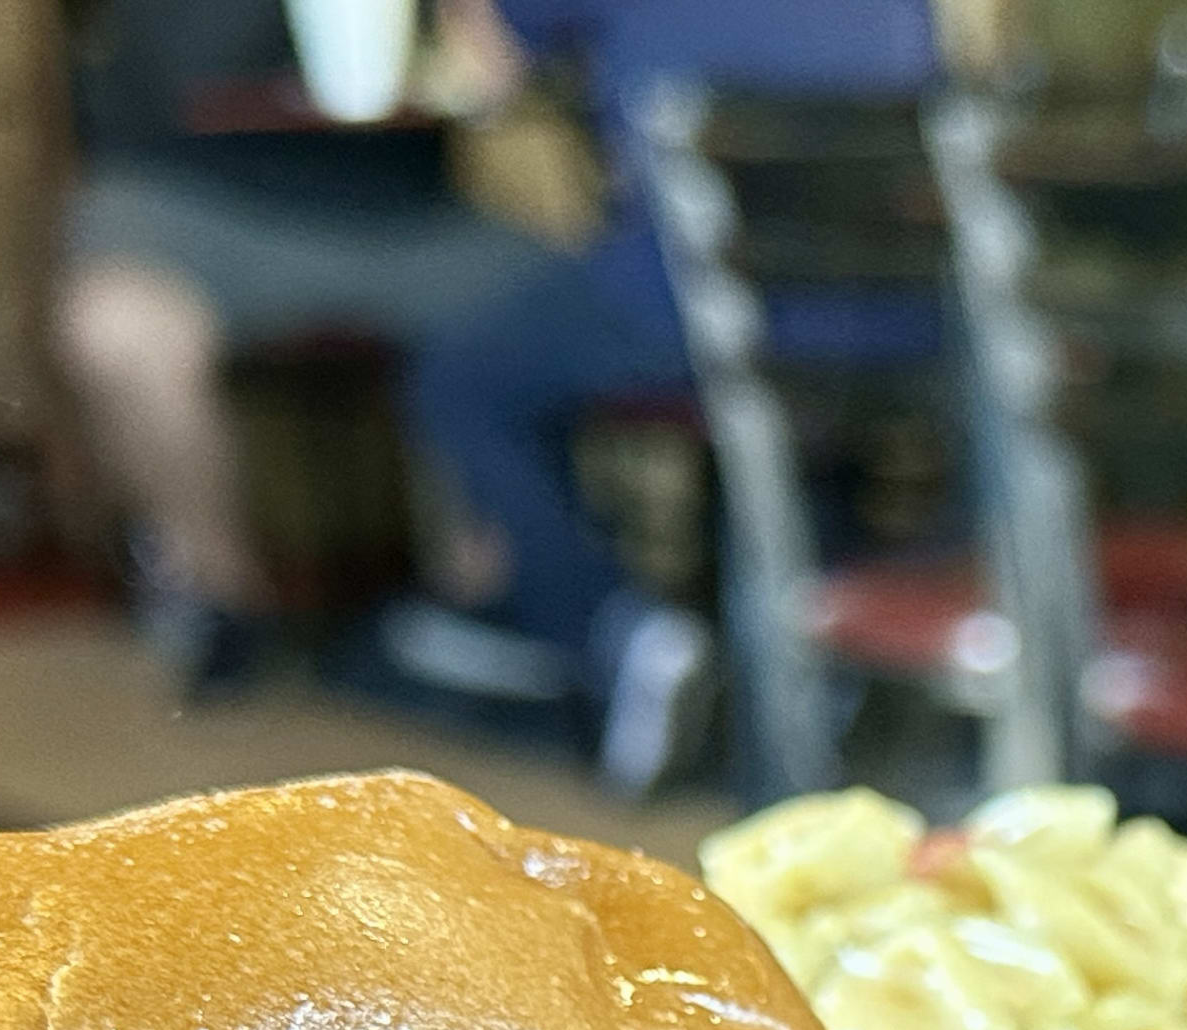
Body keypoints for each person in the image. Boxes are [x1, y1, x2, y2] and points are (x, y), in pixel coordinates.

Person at [390, 0, 942, 793]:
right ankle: (825, 642)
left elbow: (488, 73)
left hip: (709, 302)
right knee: (795, 401)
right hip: (907, 314)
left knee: (461, 379)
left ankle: (614, 635)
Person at [55, 0, 556, 696]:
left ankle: (479, 607)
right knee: (116, 325)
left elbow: (500, 63)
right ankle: (216, 593)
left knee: (550, 311)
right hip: (191, 196)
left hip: (406, 205)